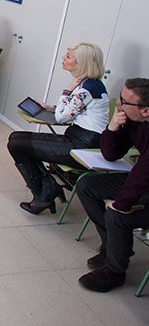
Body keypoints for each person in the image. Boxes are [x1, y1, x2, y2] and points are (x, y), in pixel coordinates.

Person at [7, 42, 109, 215]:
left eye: (68, 57)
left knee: (17, 144)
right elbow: (74, 110)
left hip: (83, 146)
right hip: (80, 138)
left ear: (81, 64)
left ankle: (44, 193)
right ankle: (47, 189)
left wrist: (67, 90)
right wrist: (52, 108)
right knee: (15, 138)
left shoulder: (87, 88)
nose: (63, 58)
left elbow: (62, 118)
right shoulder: (89, 84)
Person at [76, 78, 149, 293]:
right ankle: (111, 244)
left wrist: (122, 204)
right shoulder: (134, 121)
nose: (118, 104)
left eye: (125, 102)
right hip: (142, 180)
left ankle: (115, 272)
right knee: (86, 185)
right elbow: (111, 153)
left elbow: (143, 174)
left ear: (145, 110)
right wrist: (112, 127)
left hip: (145, 182)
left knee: (117, 216)